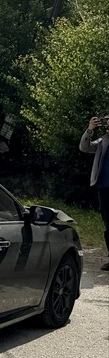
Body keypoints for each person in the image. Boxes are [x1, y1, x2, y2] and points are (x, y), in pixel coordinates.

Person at [79, 114, 109, 271]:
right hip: (104, 187)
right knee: (108, 222)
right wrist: (89, 130)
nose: (107, 123)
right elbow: (84, 148)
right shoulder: (103, 141)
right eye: (106, 120)